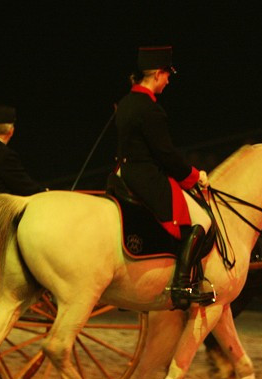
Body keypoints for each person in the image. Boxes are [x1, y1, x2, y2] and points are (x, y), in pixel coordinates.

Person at [112, 45, 211, 310]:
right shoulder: (150, 109)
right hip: (146, 176)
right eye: (167, 76)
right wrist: (193, 176)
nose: (168, 81)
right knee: (202, 219)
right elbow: (166, 155)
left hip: (123, 173)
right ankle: (181, 284)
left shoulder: (125, 103)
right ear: (157, 74)